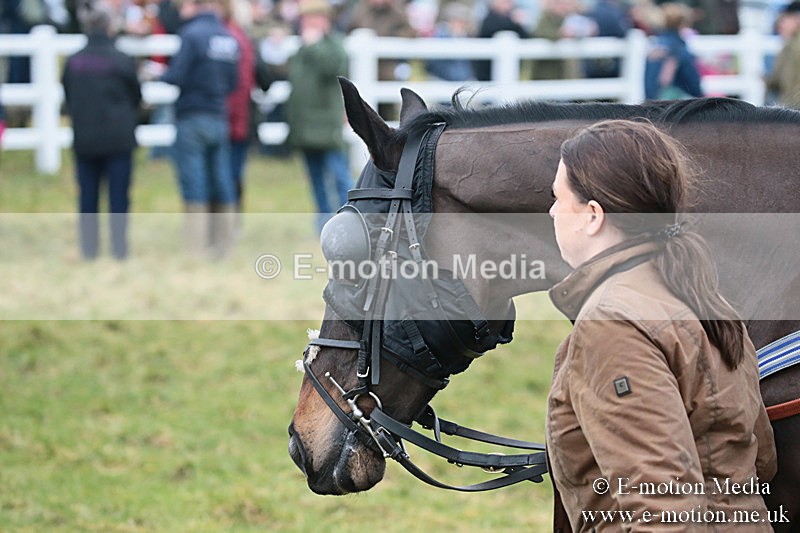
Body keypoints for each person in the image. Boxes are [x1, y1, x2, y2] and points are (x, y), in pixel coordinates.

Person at [545, 119, 777, 531]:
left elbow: (664, 512)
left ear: (593, 215)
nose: (551, 211)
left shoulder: (613, 323)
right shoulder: (702, 295)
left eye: (558, 198)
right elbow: (760, 460)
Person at [158, 0, 240, 259]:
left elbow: (177, 75)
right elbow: (233, 81)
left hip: (192, 115)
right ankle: (224, 243)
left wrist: (157, 74)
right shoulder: (227, 36)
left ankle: (195, 246)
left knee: (194, 179)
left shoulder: (191, 34)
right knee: (221, 178)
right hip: (218, 115)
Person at [62, 1, 142, 260]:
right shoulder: (122, 59)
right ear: (110, 26)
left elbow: (68, 96)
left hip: (85, 139)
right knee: (119, 197)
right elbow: (136, 97)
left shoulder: (74, 62)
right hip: (118, 139)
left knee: (88, 197)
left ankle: (89, 250)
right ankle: (119, 249)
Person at [285, 0, 352, 233]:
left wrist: (313, 46)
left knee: (338, 173)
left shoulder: (333, 45)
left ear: (324, 20)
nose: (308, 23)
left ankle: (350, 218)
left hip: (326, 123)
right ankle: (323, 221)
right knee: (315, 177)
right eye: (304, 18)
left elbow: (332, 67)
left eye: (312, 17)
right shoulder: (303, 47)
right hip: (305, 124)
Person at [644, 3, 704, 100]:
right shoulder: (679, 49)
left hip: (652, 102)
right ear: (683, 24)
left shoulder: (654, 46)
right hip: (674, 102)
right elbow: (693, 82)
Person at [473, 0, 528, 81]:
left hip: (510, 69)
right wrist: (514, 22)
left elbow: (525, 37)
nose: (508, 5)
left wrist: (519, 23)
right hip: (487, 70)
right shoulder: (489, 18)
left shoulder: (511, 19)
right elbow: (492, 29)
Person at [765, 0, 800, 110]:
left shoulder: (794, 47)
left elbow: (787, 84)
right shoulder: (788, 46)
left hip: (791, 110)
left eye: (784, 19)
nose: (780, 24)